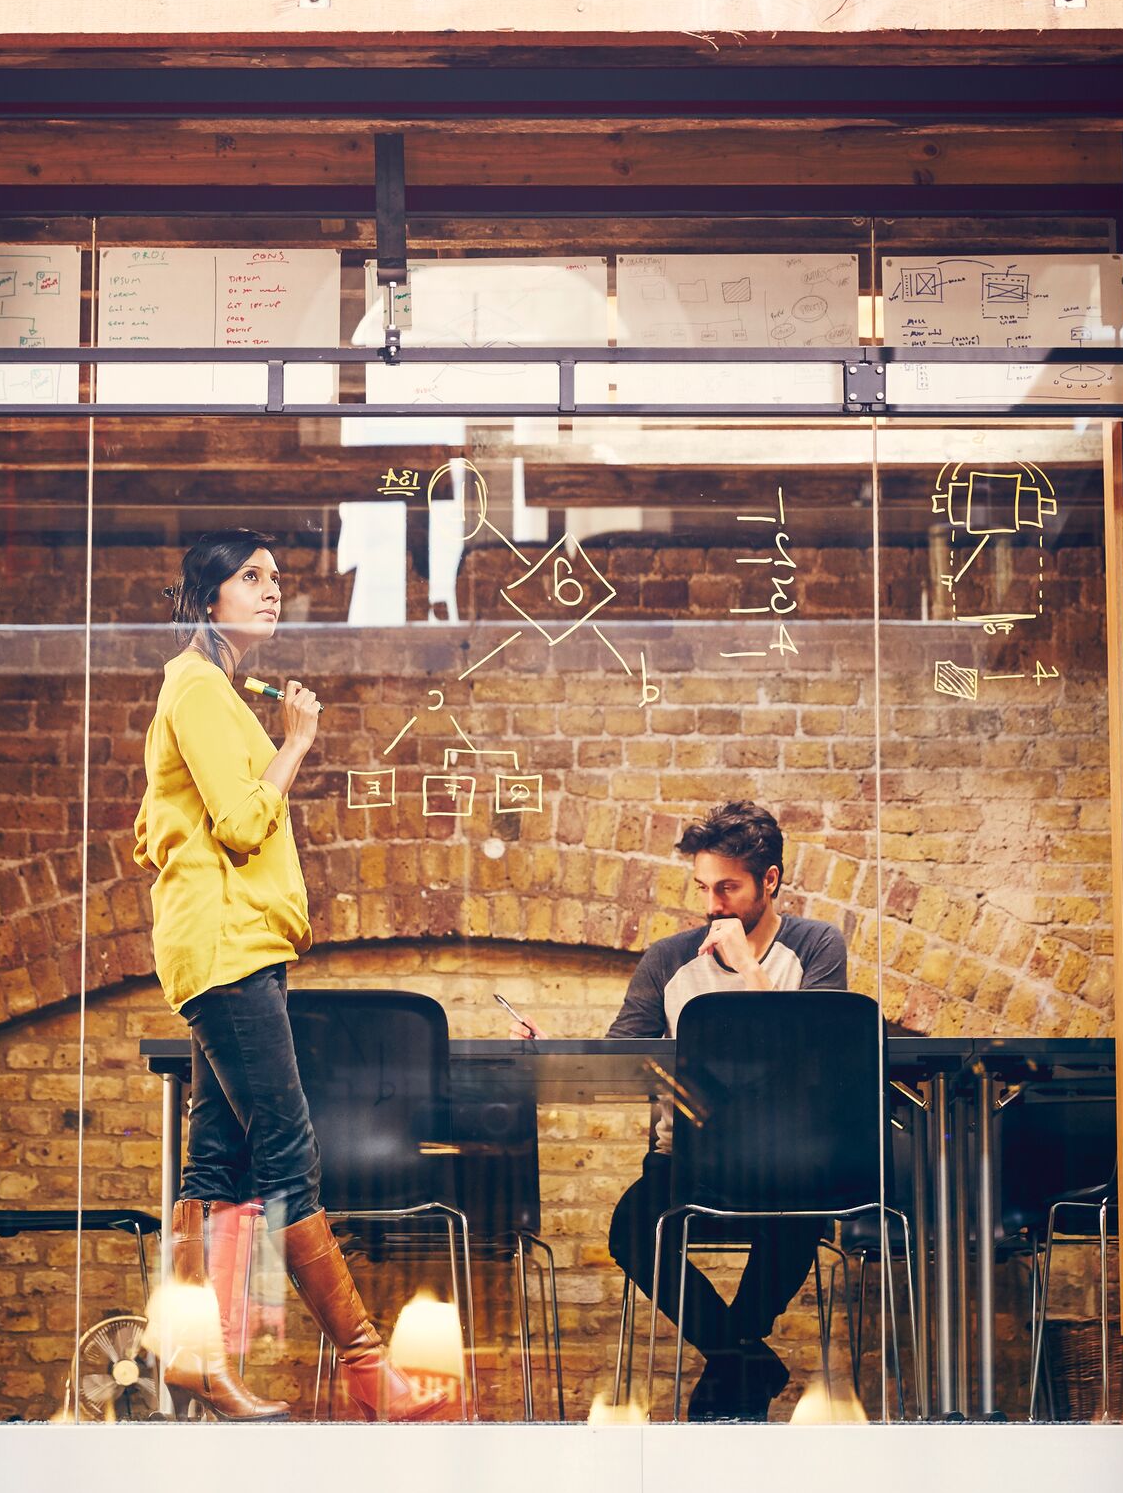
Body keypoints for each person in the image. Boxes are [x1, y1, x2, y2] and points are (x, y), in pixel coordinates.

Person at [132, 528, 454, 1422]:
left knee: (218, 1160)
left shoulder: (218, 693)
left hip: (232, 948)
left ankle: (194, 1357)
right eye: (250, 577)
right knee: (289, 1153)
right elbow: (239, 823)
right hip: (228, 950)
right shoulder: (196, 685)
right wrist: (300, 739)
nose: (273, 591)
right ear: (208, 597)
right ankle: (366, 1365)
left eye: (276, 578)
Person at [511, 801, 847, 1419]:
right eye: (704, 888)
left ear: (769, 880)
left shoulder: (815, 945)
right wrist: (552, 1048)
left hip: (787, 1161)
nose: (715, 904)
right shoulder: (670, 959)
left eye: (729, 888)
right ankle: (744, 1361)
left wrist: (748, 970)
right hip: (688, 1160)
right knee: (631, 1228)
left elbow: (817, 1057)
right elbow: (621, 1058)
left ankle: (728, 1376)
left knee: (798, 1219)